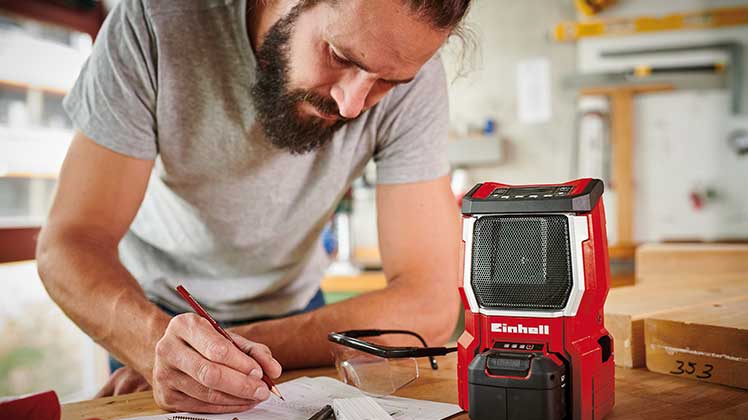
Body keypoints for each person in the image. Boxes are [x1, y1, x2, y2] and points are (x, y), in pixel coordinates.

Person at [37, 0, 470, 414]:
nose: (352, 105)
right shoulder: (154, 23)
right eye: (340, 56)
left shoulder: (415, 78)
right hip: (152, 318)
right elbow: (69, 244)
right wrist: (156, 349)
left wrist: (219, 355)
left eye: (388, 83)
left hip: (304, 322)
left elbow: (430, 304)